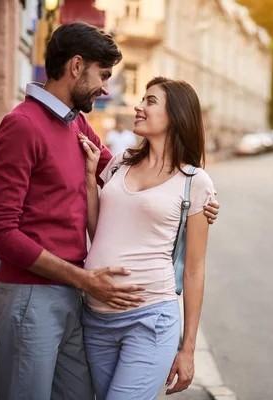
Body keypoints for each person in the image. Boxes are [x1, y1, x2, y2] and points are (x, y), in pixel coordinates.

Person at [0, 23, 219, 400]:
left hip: (79, 300)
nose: (106, 89)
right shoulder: (22, 126)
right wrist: (82, 279)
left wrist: (194, 199)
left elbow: (127, 181)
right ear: (76, 66)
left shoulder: (75, 122)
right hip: (32, 296)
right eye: (103, 75)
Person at [77, 76, 213, 400]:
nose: (138, 107)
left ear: (175, 116)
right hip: (96, 319)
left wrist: (188, 349)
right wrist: (88, 178)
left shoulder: (195, 182)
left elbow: (194, 270)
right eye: (142, 99)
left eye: (150, 101)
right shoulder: (121, 163)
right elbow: (100, 234)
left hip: (150, 319)